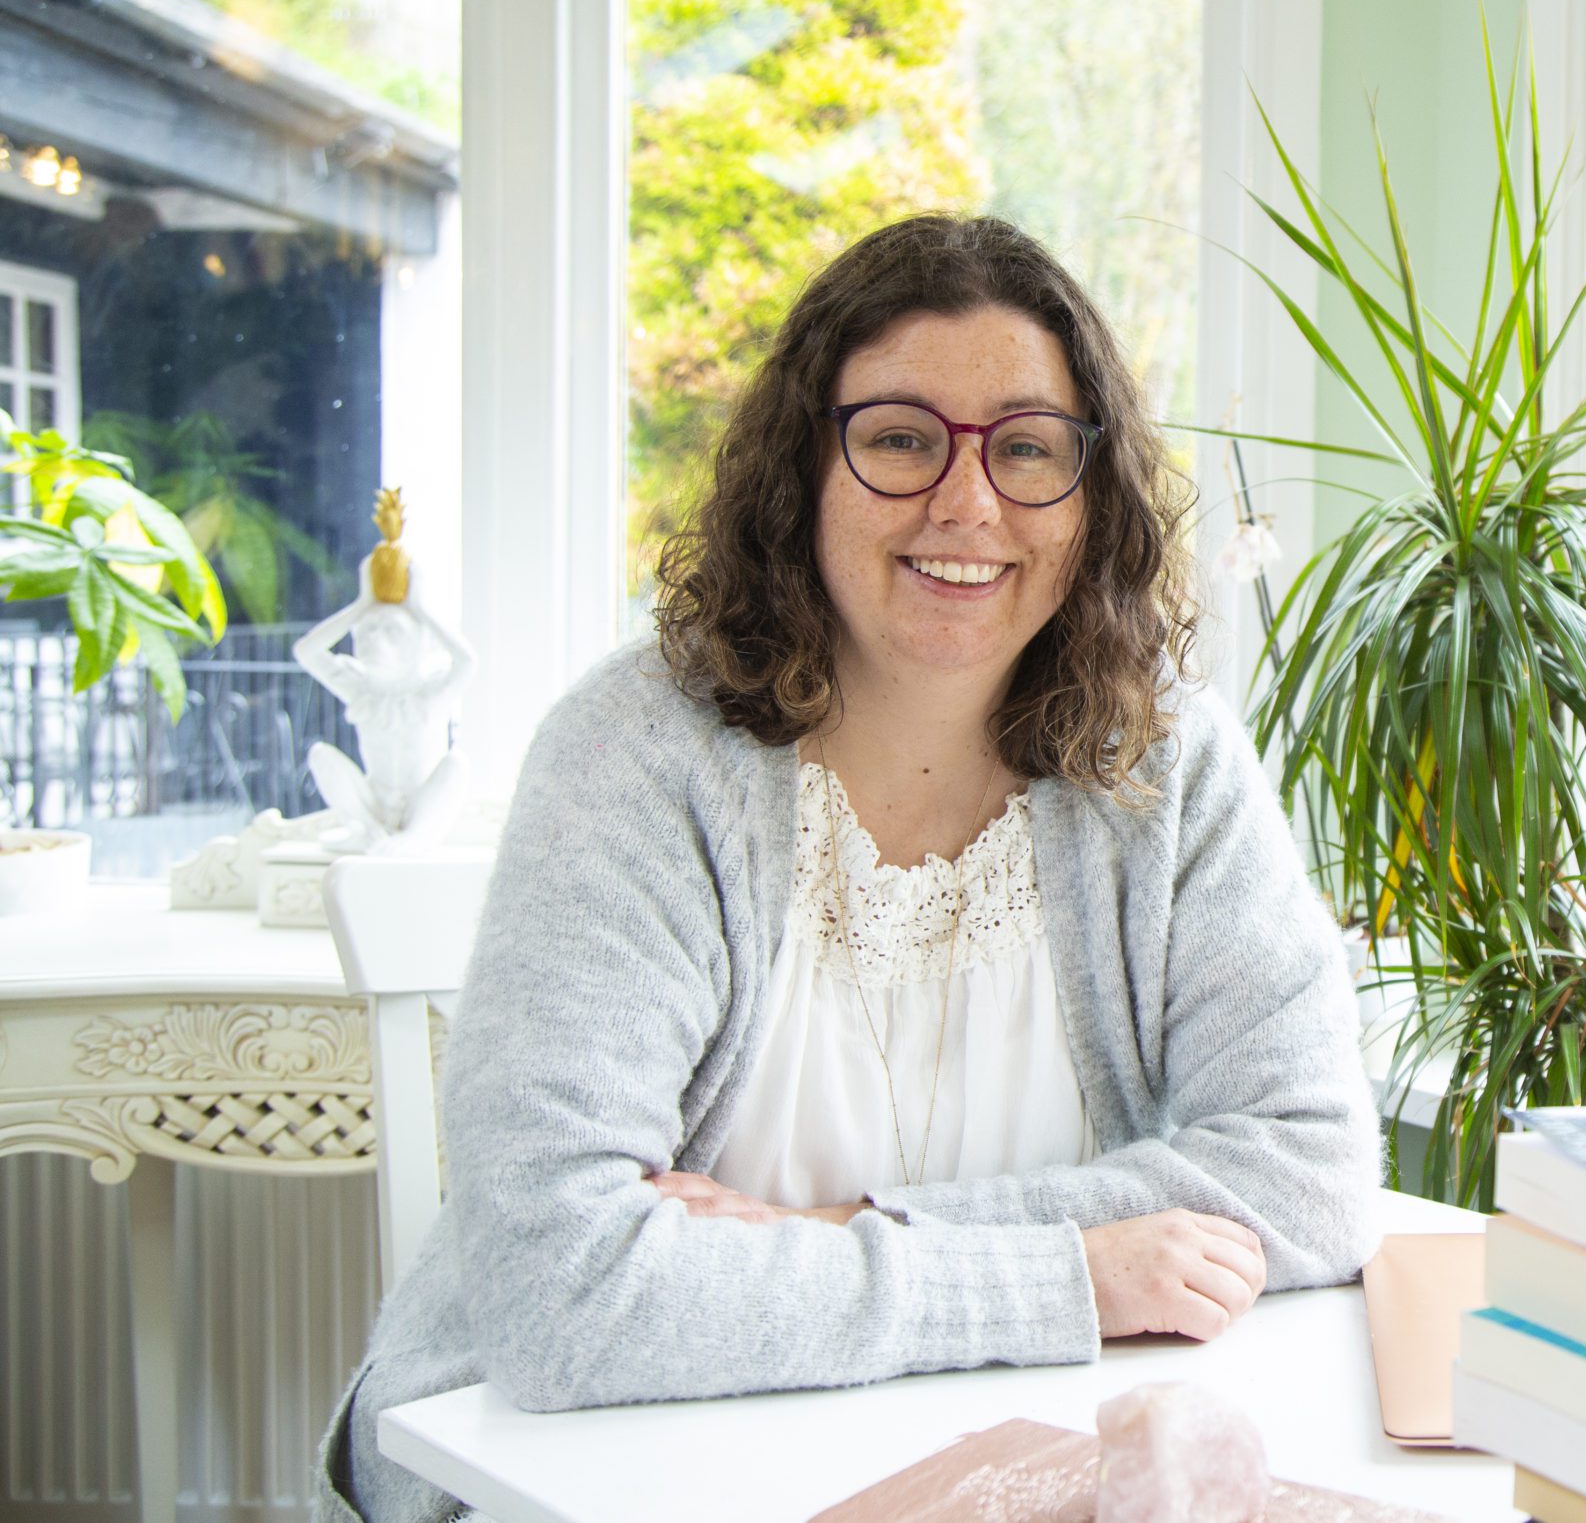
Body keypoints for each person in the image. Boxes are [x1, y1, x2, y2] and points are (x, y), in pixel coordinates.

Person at [316, 214, 1382, 1522]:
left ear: (1091, 494)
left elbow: (1311, 1170)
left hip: (977, 1456)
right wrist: (1070, 1274)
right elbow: (563, 1296)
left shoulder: (1167, 761)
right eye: (900, 438)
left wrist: (837, 1237)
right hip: (586, 1465)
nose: (968, 503)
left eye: (1028, 447)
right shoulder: (635, 757)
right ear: (801, 471)